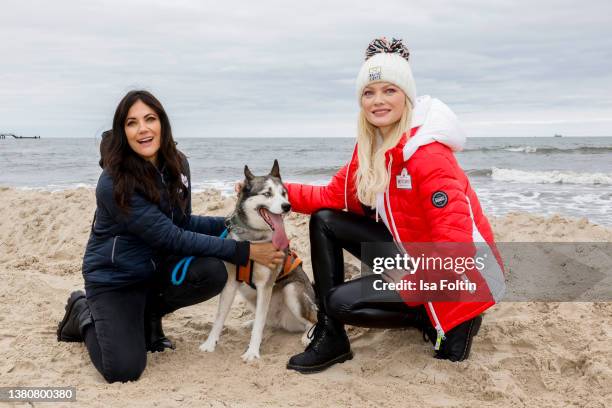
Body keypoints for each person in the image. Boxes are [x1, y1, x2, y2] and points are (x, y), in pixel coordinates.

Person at [284, 38, 505, 373]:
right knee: (325, 220)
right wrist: (271, 191)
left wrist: (405, 283)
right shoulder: (374, 151)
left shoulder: (428, 155)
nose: (378, 101)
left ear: (407, 96)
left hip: (460, 279)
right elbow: (330, 197)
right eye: (369, 92)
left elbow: (455, 251)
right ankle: (332, 337)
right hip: (416, 258)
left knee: (341, 300)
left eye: (389, 90)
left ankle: (431, 316)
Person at [57, 90, 284, 383]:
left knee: (212, 272)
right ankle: (82, 311)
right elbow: (170, 237)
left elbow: (183, 221)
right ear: (122, 131)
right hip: (117, 279)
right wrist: (246, 252)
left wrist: (240, 224)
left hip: (156, 270)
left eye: (150, 119)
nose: (143, 129)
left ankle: (149, 315)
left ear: (162, 123)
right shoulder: (113, 182)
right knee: (123, 370)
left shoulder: (177, 164)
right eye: (132, 122)